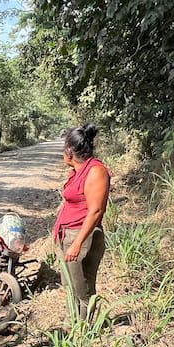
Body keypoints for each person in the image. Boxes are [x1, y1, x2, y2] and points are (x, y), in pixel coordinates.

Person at [52, 124, 111, 315]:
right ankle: (76, 327)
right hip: (69, 234)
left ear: (69, 151)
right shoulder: (78, 171)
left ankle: (86, 333)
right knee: (71, 287)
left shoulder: (95, 171)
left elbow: (95, 211)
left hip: (82, 236)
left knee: (83, 291)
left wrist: (77, 244)